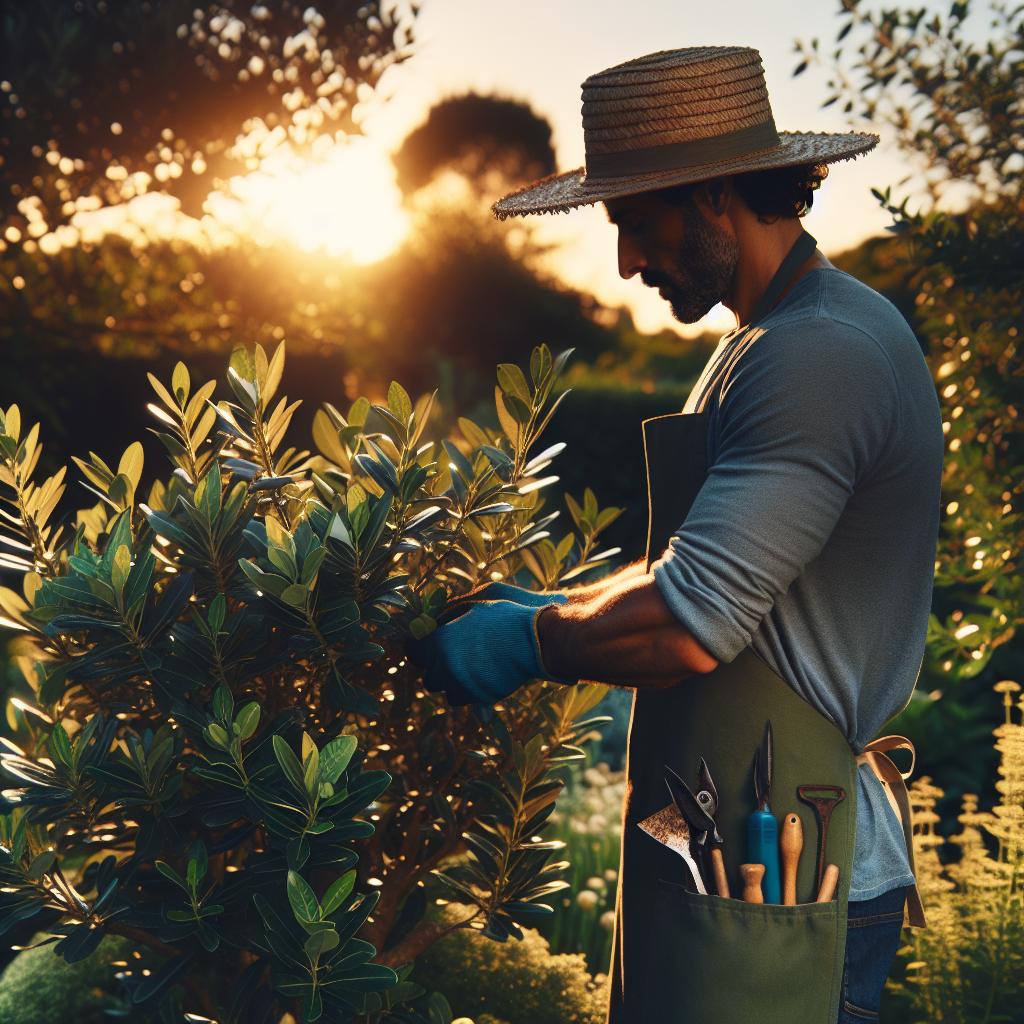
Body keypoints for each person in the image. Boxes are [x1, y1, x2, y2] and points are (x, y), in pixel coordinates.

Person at [408, 46, 942, 1023]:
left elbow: (690, 621)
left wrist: (529, 640)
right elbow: (704, 568)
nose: (625, 261)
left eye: (634, 222)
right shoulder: (761, 346)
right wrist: (557, 603)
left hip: (796, 859)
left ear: (710, 197)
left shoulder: (817, 356)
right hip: (722, 829)